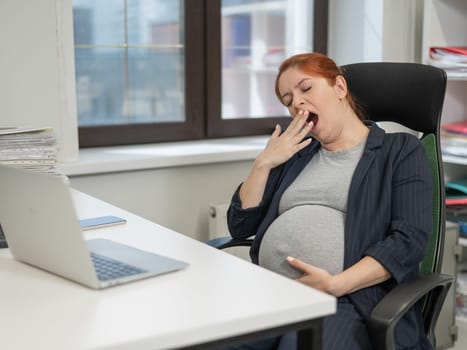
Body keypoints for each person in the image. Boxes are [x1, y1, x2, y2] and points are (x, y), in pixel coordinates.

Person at [225, 53, 433, 350]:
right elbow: (240, 225)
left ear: (339, 87)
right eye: (288, 100)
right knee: (205, 339)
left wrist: (336, 284)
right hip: (273, 293)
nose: (296, 103)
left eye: (305, 89)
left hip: (348, 299)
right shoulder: (296, 154)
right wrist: (263, 164)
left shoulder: (399, 151)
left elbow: (409, 240)